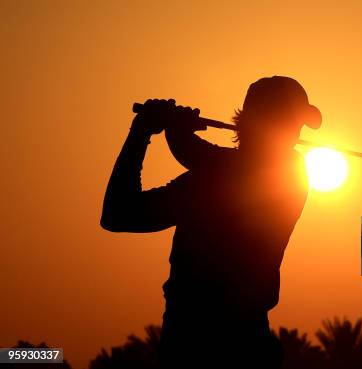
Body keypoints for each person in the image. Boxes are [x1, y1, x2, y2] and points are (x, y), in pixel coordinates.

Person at [100, 76, 322, 368]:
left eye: (297, 126)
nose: (295, 134)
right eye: (288, 123)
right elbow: (119, 215)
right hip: (206, 344)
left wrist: (160, 130)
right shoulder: (206, 182)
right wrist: (146, 134)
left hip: (225, 342)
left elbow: (196, 155)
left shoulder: (290, 173)